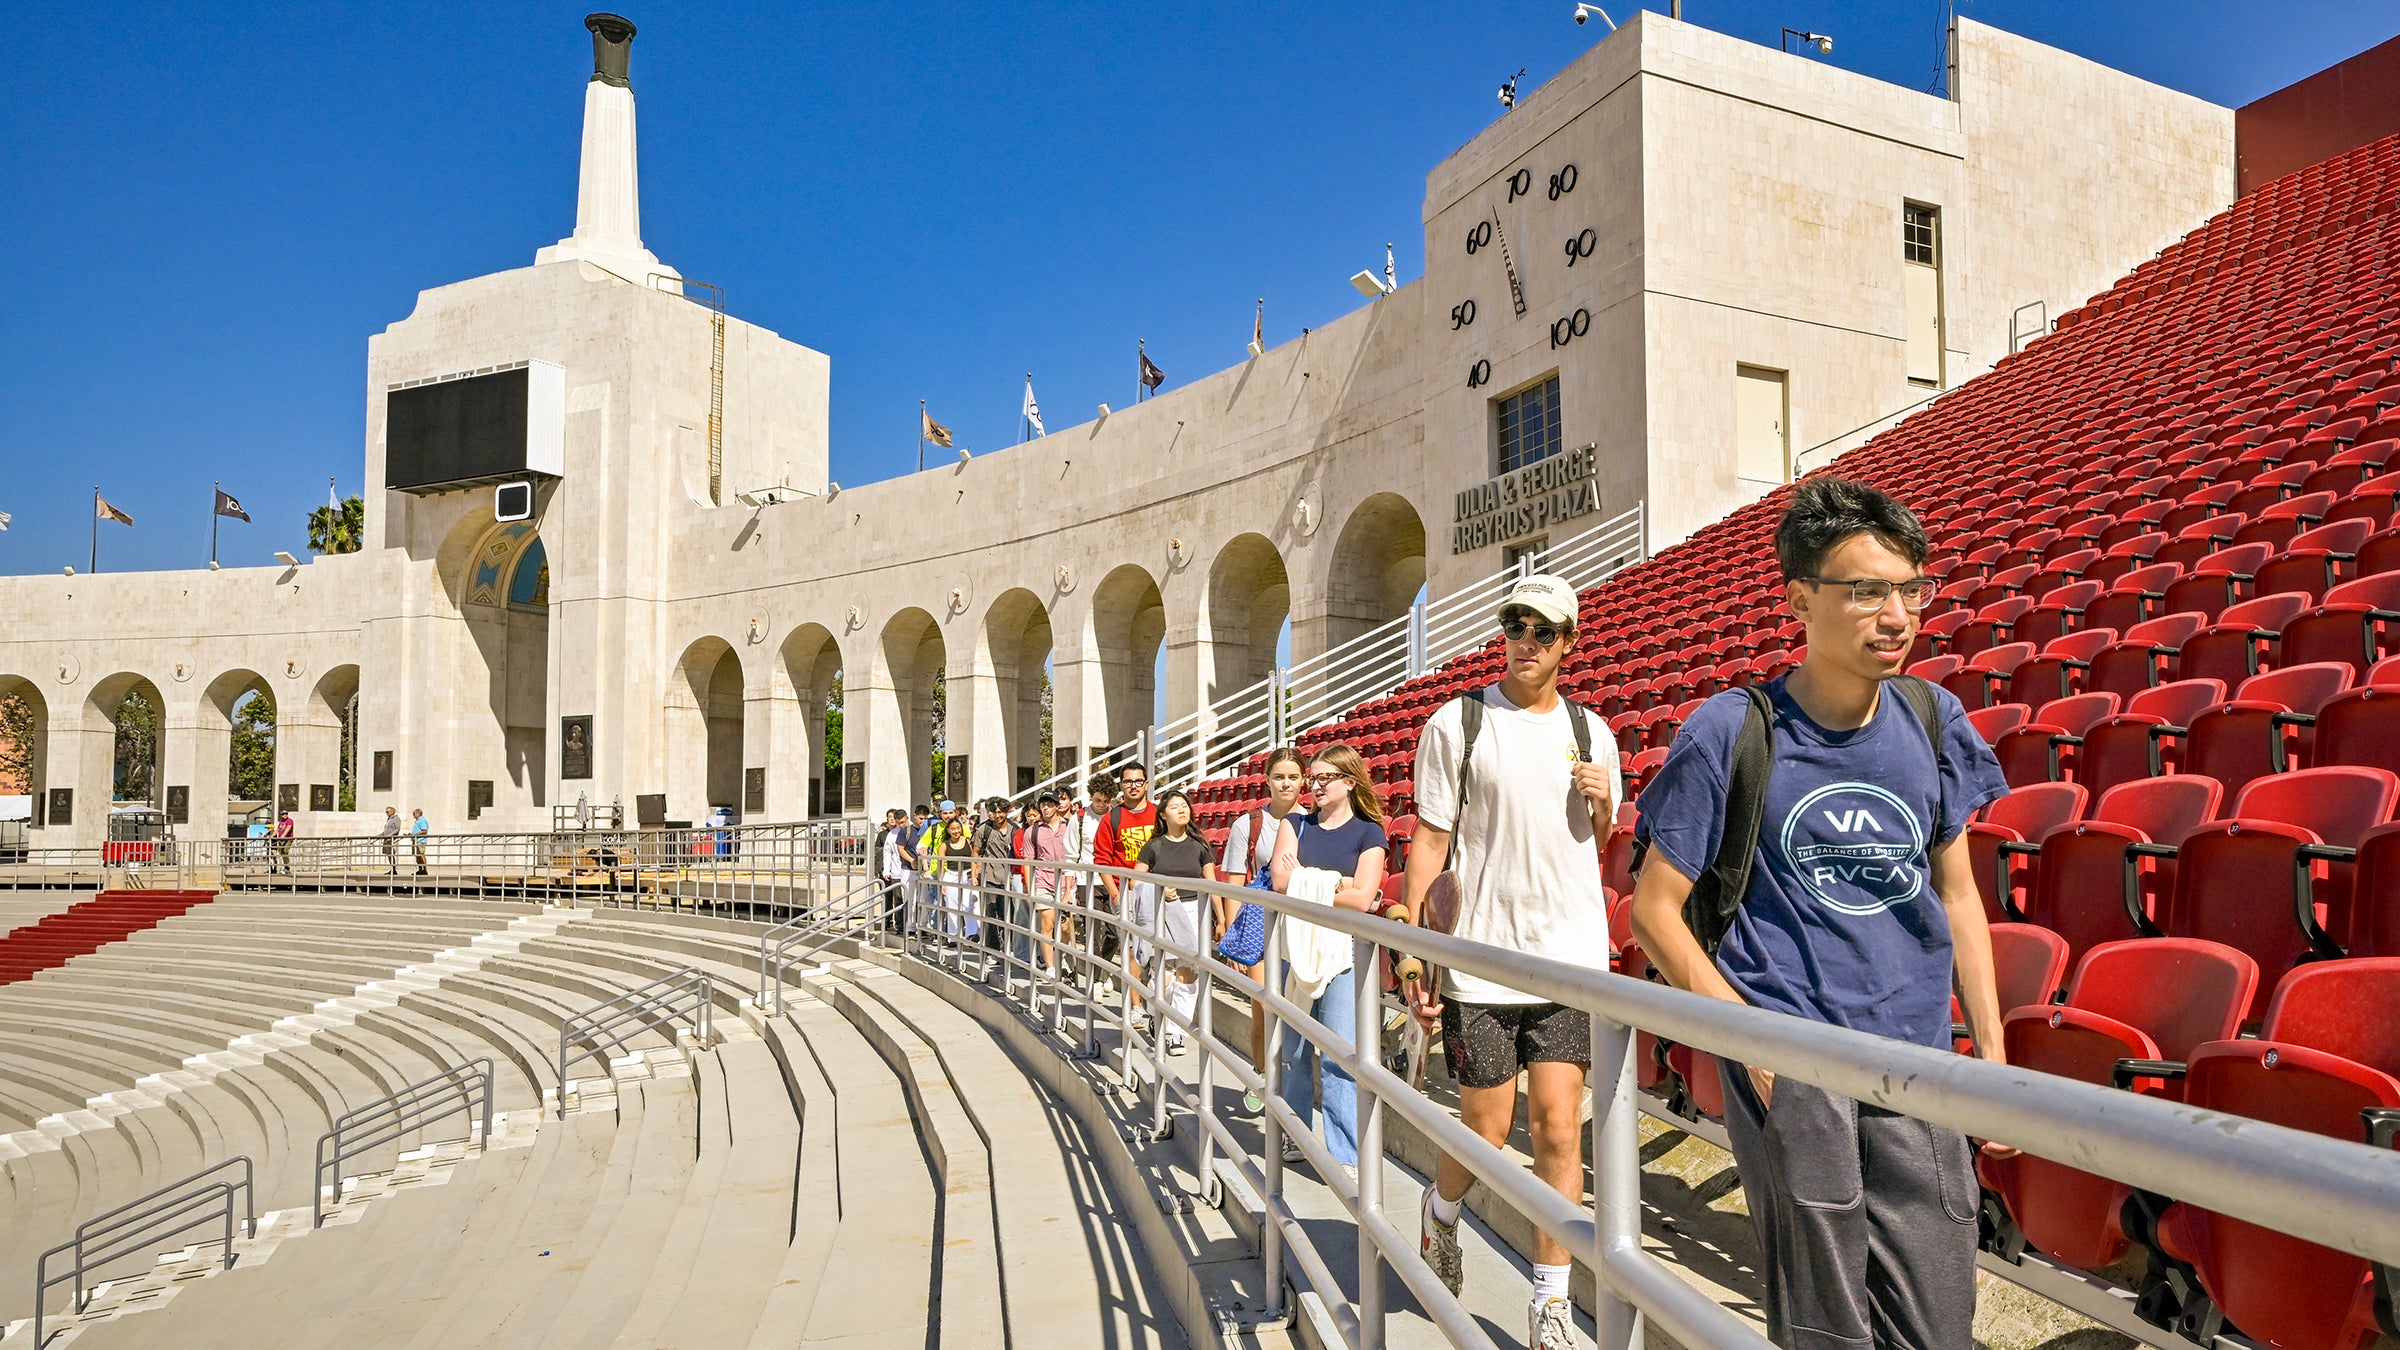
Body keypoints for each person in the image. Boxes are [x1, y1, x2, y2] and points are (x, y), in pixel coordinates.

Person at [1629, 477, 2010, 1350]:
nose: (1898, 615)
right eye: (1867, 590)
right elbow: (1655, 909)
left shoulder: (1932, 717)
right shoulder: (1731, 729)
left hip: (1918, 1061)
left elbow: (1959, 894)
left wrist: (1992, 1056)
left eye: (1912, 589)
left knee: (1937, 1324)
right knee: (1825, 1332)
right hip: (1793, 1063)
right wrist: (1749, 1042)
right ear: (1801, 599)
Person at [1404, 572, 1620, 1350]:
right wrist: (1417, 958)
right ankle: (1442, 1211)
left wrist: (1601, 803)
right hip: (1482, 961)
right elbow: (1430, 842)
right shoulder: (1456, 725)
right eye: (1515, 624)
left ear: (1568, 643)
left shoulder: (1596, 734)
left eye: (1543, 629)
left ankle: (1550, 1305)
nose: (1525, 640)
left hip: (1567, 962)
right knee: (1486, 1130)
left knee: (1560, 1130)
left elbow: (1598, 846)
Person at [1270, 743, 1388, 1181]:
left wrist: (1314, 881)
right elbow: (1282, 882)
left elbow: (1362, 899)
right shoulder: (1294, 825)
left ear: (1349, 782)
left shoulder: (1368, 832)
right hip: (1293, 946)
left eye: (1323, 778)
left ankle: (1346, 1153)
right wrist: (1340, 883)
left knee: (1341, 1051)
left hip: (1343, 952)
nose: (1314, 785)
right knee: (1294, 1051)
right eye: (1312, 778)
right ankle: (1296, 1135)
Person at [1220, 746, 1307, 1112]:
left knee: (1293, 1012)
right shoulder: (1248, 824)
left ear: (1303, 780)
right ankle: (1264, 1077)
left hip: (1299, 928)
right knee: (1262, 1006)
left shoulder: (1315, 819)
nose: (1286, 783)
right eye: (1279, 776)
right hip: (1258, 926)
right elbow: (1235, 883)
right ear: (1267, 780)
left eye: (1293, 776)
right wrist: (1234, 939)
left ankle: (1290, 1084)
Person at [1132, 788, 1218, 1054]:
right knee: (1165, 979)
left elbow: (1212, 882)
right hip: (1164, 912)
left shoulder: (1200, 846)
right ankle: (1158, 1014)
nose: (1182, 810)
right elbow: (1135, 881)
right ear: (1162, 815)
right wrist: (1160, 890)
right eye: (1174, 806)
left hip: (1194, 911)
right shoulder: (1153, 846)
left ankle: (1175, 1032)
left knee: (1188, 973)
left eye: (1185, 805)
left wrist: (1223, 918)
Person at [1093, 765, 1160, 1014]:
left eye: (1138, 781)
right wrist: (1115, 893)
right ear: (1121, 785)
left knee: (1155, 949)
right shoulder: (1112, 818)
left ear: (1146, 784)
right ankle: (1135, 1005)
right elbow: (1102, 860)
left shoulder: (1158, 815)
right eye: (1128, 781)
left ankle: (1154, 998)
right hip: (1126, 892)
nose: (1133, 785)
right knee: (1131, 949)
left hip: (1155, 890)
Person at [1026, 794, 1070, 976]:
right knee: (1047, 922)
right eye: (1043, 805)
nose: (1045, 808)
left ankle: (1064, 959)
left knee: (1066, 926)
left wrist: (1069, 889)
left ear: (1057, 806)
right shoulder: (1033, 831)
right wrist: (1030, 891)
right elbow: (1028, 862)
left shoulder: (1070, 826)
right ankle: (1050, 966)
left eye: (1049, 804)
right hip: (1043, 880)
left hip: (1067, 880)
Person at [973, 798, 1018, 956]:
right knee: (990, 913)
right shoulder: (983, 829)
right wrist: (974, 874)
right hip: (989, 875)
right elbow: (975, 852)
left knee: (1009, 913)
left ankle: (1009, 947)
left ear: (1007, 812)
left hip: (1009, 877)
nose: (998, 815)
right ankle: (992, 949)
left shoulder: (1015, 829)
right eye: (995, 812)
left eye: (1001, 812)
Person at [379, 806, 402, 876]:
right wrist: (379, 836)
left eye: (387, 812)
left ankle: (394, 869)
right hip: (386, 839)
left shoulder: (396, 819)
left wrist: (390, 835)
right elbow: (385, 831)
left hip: (391, 839)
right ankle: (392, 869)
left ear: (392, 812)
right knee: (388, 854)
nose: (386, 813)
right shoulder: (389, 819)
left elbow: (397, 829)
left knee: (391, 854)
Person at [271, 810, 295, 875]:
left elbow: (288, 828)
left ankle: (287, 868)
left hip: (288, 839)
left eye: (286, 813)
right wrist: (272, 836)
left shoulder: (290, 820)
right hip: (281, 840)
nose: (285, 815)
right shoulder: (281, 821)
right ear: (281, 815)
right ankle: (286, 867)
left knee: (285, 852)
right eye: (283, 814)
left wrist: (283, 836)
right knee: (282, 853)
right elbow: (278, 829)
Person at [409, 807, 429, 876]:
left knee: (421, 854)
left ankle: (425, 870)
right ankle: (420, 869)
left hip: (420, 840)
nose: (413, 815)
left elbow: (424, 830)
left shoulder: (422, 820)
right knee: (417, 856)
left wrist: (415, 835)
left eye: (414, 813)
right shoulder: (417, 821)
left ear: (418, 814)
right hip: (416, 840)